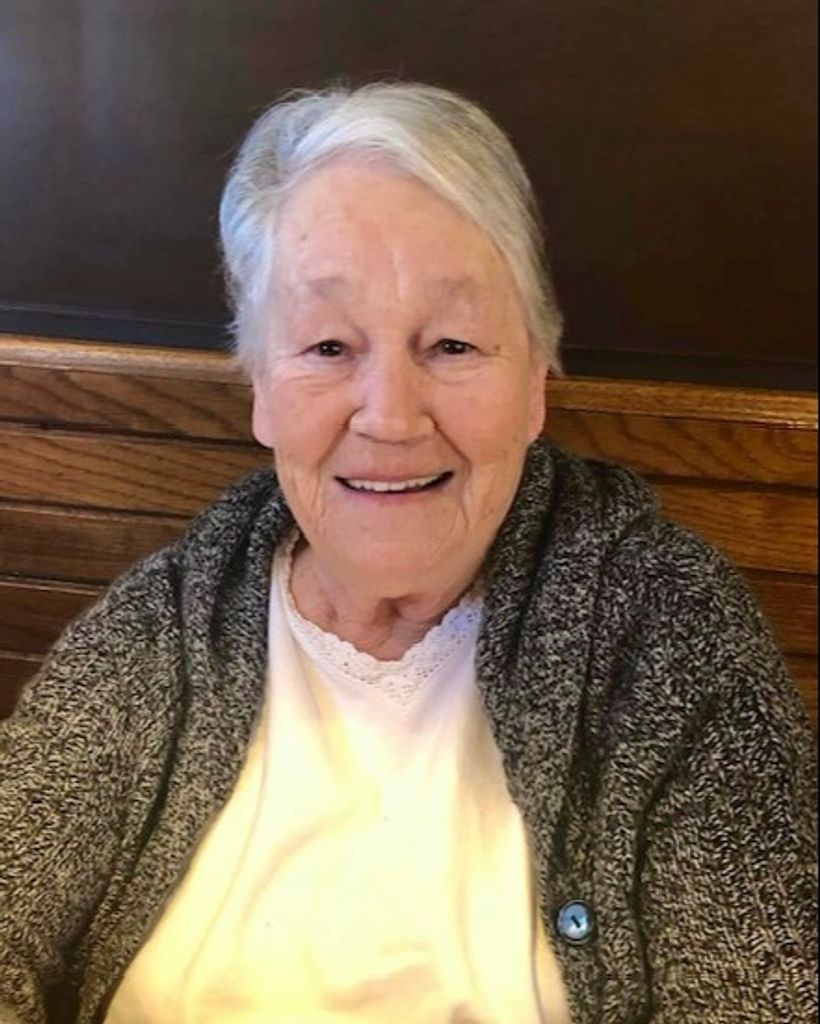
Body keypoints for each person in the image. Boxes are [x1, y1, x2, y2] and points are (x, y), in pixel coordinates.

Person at [0, 82, 816, 1024]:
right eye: (328, 346)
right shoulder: (160, 629)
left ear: (535, 383)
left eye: (454, 344)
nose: (390, 417)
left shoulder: (669, 635)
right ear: (260, 387)